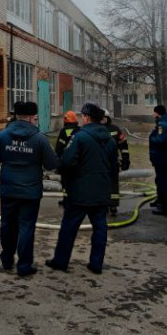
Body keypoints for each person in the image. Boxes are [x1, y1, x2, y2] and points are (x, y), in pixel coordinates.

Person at [0, 101, 58, 277]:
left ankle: (7, 260)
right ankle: (24, 266)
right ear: (33, 118)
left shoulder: (3, 135)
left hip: (8, 188)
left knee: (8, 224)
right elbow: (52, 164)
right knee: (26, 227)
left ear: (16, 116)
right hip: (30, 191)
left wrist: (5, 157)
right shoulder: (40, 138)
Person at [47, 102, 118, 274]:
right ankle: (96, 264)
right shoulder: (109, 139)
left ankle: (61, 261)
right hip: (101, 192)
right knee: (100, 229)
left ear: (86, 118)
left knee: (68, 228)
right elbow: (114, 167)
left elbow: (67, 162)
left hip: (79, 192)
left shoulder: (80, 137)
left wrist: (63, 173)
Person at [149, 104, 167, 216]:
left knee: (164, 183)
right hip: (165, 159)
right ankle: (161, 202)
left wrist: (151, 137)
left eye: (154, 112)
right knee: (160, 181)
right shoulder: (166, 123)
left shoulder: (162, 124)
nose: (153, 114)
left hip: (162, 159)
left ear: (157, 113)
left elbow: (161, 140)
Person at [101, 111, 130, 216]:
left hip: (113, 161)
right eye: (101, 117)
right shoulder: (96, 129)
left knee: (113, 184)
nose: (103, 119)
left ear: (108, 118)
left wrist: (125, 159)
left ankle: (113, 205)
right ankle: (103, 205)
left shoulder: (115, 129)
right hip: (100, 162)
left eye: (104, 117)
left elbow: (123, 145)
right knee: (102, 184)